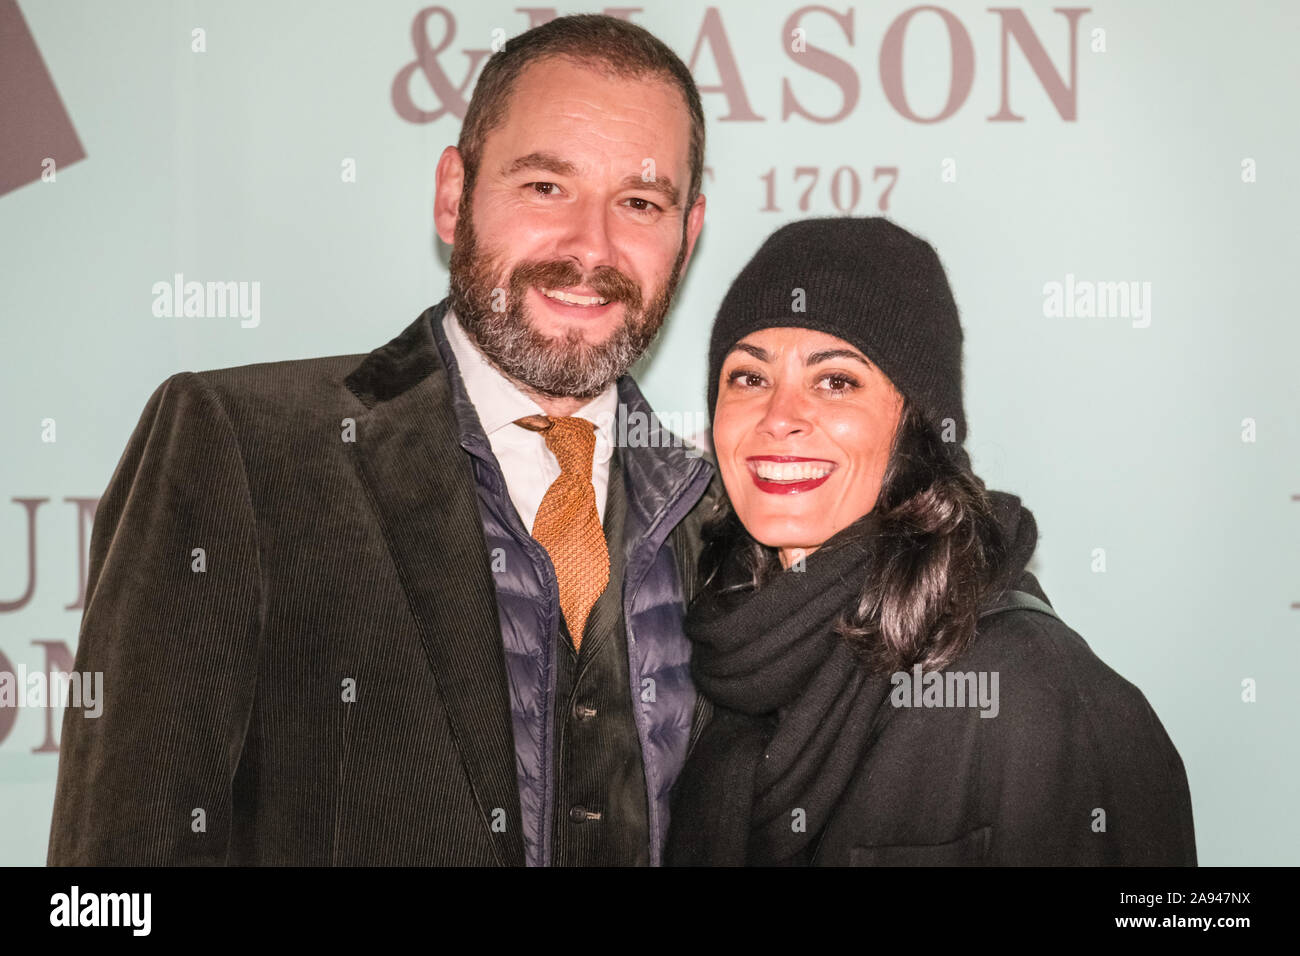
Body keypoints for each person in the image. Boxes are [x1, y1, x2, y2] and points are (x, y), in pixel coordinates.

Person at [47, 14, 720, 866]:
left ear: (687, 234)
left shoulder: (728, 517)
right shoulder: (242, 448)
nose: (591, 247)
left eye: (638, 203)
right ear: (453, 194)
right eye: (545, 187)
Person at [665, 217, 1197, 866]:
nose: (780, 418)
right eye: (749, 377)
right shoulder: (716, 661)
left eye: (836, 380)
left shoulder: (1033, 695)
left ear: (918, 426)